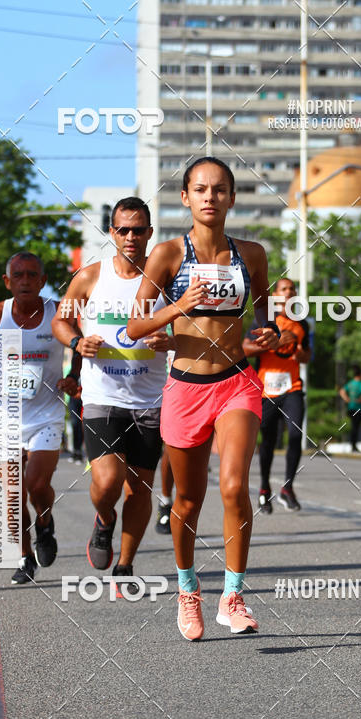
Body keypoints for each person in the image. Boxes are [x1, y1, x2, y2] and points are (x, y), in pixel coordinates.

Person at [127, 156, 280, 641]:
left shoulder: (251, 254)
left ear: (232, 198)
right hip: (186, 388)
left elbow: (265, 312)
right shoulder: (168, 255)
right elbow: (135, 326)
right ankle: (188, 591)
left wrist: (269, 332)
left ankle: (232, 596)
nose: (210, 197)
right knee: (188, 501)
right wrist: (178, 307)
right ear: (185, 198)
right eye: (200, 189)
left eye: (219, 189)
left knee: (234, 488)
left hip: (237, 383)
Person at [53, 197, 171, 587]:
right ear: (112, 232)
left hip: (150, 400)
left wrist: (169, 341)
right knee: (107, 481)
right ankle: (105, 519)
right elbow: (61, 321)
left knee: (139, 488)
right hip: (102, 397)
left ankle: (125, 565)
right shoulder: (90, 277)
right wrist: (76, 342)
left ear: (149, 233)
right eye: (123, 230)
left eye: (138, 230)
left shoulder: (165, 278)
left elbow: (190, 328)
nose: (130, 237)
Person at [0, 251, 77, 584]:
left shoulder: (58, 314)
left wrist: (74, 377)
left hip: (46, 414)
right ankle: (26, 557)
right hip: (3, 416)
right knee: (10, 496)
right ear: (7, 281)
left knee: (37, 485)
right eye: (18, 275)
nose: (25, 281)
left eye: (32, 275)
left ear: (43, 281)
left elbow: (80, 347)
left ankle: (45, 523)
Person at [243, 277, 310, 513]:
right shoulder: (264, 321)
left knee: (295, 435)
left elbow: (307, 355)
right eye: (284, 289)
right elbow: (245, 349)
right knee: (268, 441)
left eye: (292, 288)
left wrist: (301, 354)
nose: (289, 292)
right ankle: (264, 489)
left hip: (292, 388)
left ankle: (287, 488)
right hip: (266, 391)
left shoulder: (302, 324)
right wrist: (275, 343)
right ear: (275, 295)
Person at [339, 365, 361, 452]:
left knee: (353, 426)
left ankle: (353, 445)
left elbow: (341, 391)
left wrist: (347, 399)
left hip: (350, 408)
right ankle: (354, 446)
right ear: (360, 375)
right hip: (358, 408)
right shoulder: (360, 383)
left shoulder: (350, 383)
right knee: (355, 427)